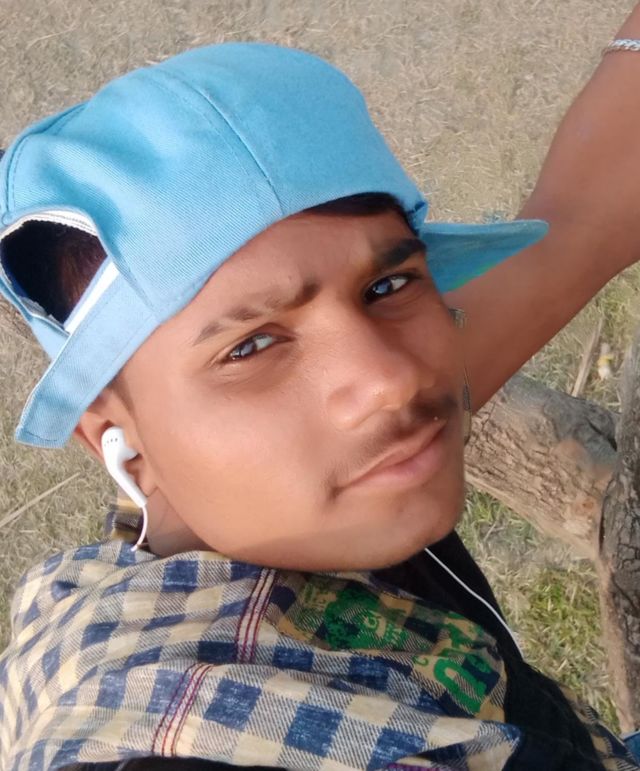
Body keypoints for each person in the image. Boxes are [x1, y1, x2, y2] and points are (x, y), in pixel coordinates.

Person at [1, 6, 640, 771]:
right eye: (252, 345)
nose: (392, 379)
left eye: (387, 285)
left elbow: (576, 227)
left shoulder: (244, 501)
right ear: (118, 441)